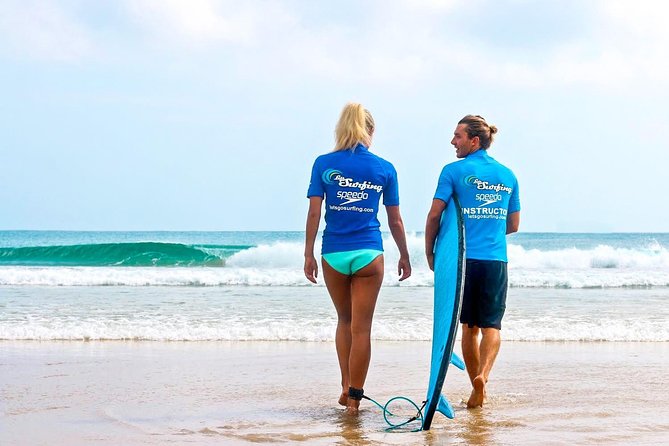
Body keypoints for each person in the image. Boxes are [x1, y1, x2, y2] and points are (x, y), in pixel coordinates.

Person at [304, 102, 412, 415]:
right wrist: (404, 254)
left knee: (345, 321)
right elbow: (396, 220)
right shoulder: (384, 167)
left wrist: (308, 253)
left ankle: (343, 385)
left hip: (333, 253)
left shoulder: (323, 163)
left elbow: (314, 211)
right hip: (369, 254)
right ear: (370, 131)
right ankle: (354, 399)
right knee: (362, 328)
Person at [424, 114, 520, 409]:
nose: (453, 141)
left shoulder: (453, 171)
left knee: (468, 328)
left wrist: (431, 252)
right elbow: (513, 224)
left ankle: (475, 382)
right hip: (495, 260)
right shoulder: (508, 175)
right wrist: (487, 226)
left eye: (458, 136)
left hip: (463, 261)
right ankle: (484, 378)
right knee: (492, 326)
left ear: (474, 140)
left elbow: (435, 215)